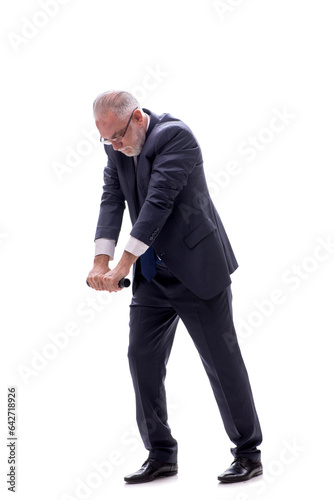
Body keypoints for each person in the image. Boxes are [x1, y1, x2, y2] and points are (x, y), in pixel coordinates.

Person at [87, 90, 263, 484]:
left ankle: (249, 453)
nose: (115, 146)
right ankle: (161, 454)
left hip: (197, 271)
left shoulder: (176, 138)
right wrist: (101, 259)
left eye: (118, 137)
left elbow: (157, 204)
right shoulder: (115, 147)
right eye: (106, 140)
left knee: (221, 363)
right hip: (152, 276)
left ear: (136, 118)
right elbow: (112, 198)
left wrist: (120, 267)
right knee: (141, 359)